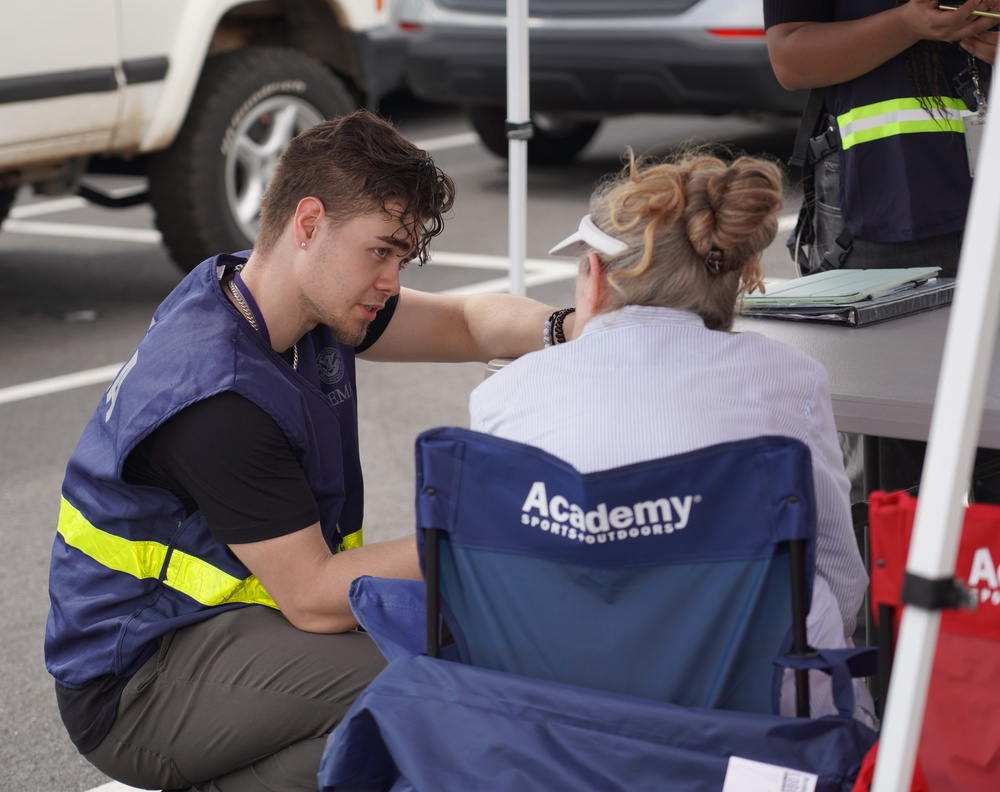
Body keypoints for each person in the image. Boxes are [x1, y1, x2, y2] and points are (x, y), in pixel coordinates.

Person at [44, 109, 560, 792]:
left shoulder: (284, 299)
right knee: (432, 683)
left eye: (401, 260)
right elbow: (316, 597)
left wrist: (574, 326)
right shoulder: (219, 397)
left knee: (425, 695)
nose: (392, 282)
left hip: (221, 632)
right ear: (308, 224)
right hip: (136, 684)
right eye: (380, 252)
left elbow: (469, 324)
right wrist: (493, 532)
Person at [469, 150, 876, 725]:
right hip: (767, 722)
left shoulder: (503, 396)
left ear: (599, 277)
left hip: (567, 721)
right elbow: (837, 571)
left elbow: (502, 585)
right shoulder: (788, 379)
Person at [765, 1, 998, 502]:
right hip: (883, 221)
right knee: (887, 477)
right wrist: (907, 24)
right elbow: (791, 59)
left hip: (971, 210)